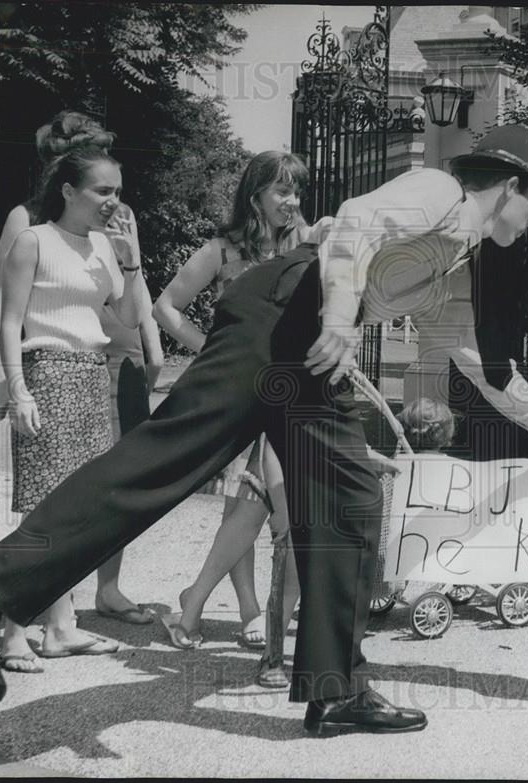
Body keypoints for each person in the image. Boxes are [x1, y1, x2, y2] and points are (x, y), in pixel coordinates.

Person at [0, 125, 528, 736]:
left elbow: (484, 367)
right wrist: (338, 317)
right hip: (284, 317)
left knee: (351, 499)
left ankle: (336, 688)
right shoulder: (442, 193)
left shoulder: (454, 267)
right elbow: (358, 219)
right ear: (512, 186)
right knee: (159, 463)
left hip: (311, 346)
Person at [0, 113, 161, 675]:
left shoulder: (106, 249)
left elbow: (131, 318)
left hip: (89, 377)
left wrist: (131, 262)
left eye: (118, 192)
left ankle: (61, 627)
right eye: (103, 191)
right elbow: (9, 320)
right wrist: (15, 389)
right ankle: (13, 629)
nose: (114, 202)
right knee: (44, 512)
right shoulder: (33, 238)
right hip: (45, 374)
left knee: (80, 509)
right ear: (68, 188)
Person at [152, 151, 310, 650]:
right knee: (248, 501)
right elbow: (165, 307)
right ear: (255, 194)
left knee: (252, 501)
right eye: (282, 190)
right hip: (237, 393)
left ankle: (214, 605)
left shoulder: (305, 244)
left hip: (288, 391)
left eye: (297, 190)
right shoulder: (221, 250)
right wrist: (210, 349)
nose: (292, 200)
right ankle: (240, 611)